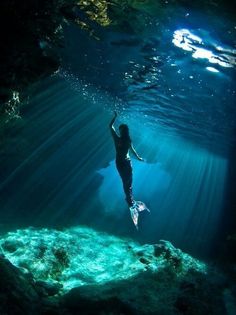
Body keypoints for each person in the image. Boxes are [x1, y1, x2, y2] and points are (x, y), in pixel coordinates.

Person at [109, 111, 144, 207]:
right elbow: (110, 126)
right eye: (121, 130)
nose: (121, 131)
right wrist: (115, 117)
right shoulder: (121, 139)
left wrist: (138, 157)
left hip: (125, 163)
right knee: (127, 181)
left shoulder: (124, 140)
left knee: (128, 182)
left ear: (124, 131)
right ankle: (129, 200)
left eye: (121, 130)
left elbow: (132, 150)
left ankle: (130, 199)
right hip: (123, 163)